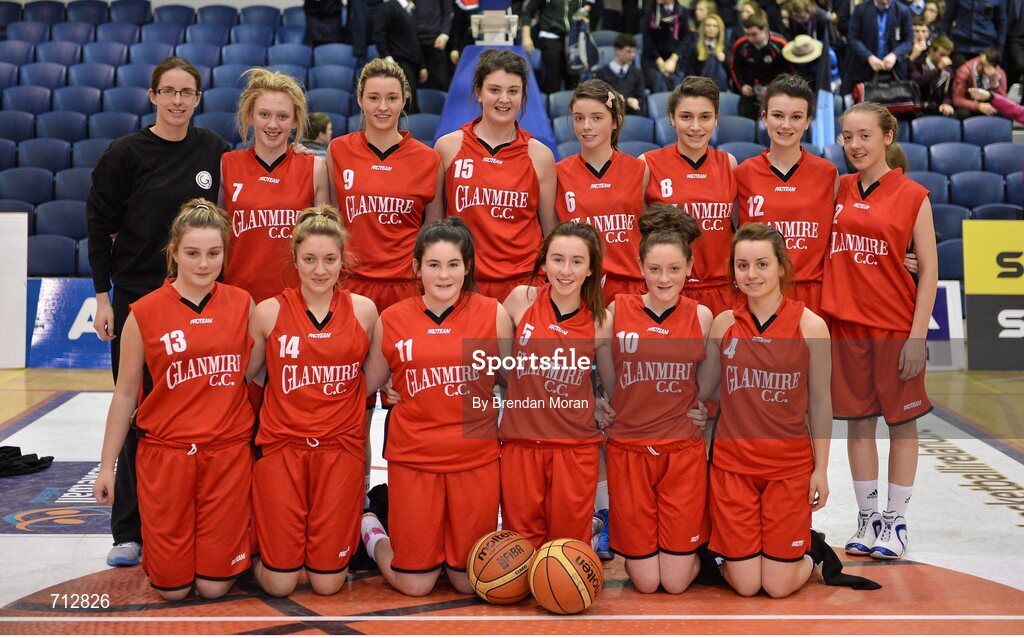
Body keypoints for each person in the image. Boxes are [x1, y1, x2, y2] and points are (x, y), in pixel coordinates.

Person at [86, 56, 232, 568]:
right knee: (136, 409)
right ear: (152, 96)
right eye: (167, 91)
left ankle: (197, 517)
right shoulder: (124, 154)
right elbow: (98, 225)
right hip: (136, 299)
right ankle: (128, 529)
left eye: (185, 92)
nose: (176, 100)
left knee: (197, 413)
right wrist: (103, 297)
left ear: (198, 98)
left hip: (199, 296)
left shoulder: (214, 151)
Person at [93, 199, 255, 600]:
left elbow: (269, 372)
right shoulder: (144, 313)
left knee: (214, 587)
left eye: (214, 253)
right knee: (173, 590)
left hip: (226, 454)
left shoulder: (243, 305)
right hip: (166, 457)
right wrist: (106, 468)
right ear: (174, 253)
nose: (204, 263)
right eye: (193, 253)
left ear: (225, 254)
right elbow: (126, 394)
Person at [359, 218, 513, 596]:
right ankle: (370, 528)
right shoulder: (392, 319)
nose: (444, 275)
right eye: (433, 265)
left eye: (453, 265)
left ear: (468, 267)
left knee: (469, 582)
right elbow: (366, 384)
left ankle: (444, 548)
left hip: (474, 459)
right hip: (414, 459)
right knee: (416, 584)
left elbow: (516, 382)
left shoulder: (492, 313)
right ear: (416, 268)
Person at [823, 101, 938, 561]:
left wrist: (917, 336)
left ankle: (897, 520)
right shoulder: (839, 188)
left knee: (902, 424)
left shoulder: (914, 195)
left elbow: (928, 271)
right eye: (848, 136)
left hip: (894, 326)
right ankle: (867, 517)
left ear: (887, 137)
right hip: (845, 325)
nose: (854, 145)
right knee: (858, 423)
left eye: (864, 135)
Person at [246, 206, 377, 598]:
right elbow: (252, 374)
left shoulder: (364, 311)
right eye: (309, 260)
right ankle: (244, 552)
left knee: (327, 584)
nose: (320, 270)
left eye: (330, 260)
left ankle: (367, 522)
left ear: (343, 260)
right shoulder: (268, 312)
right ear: (294, 259)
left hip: (339, 452)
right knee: (282, 584)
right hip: (283, 448)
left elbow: (373, 377)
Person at [698, 222, 832, 598]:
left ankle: (811, 551)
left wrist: (820, 469)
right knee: (745, 584)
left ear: (781, 267)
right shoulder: (724, 325)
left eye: (762, 264)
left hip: (788, 469)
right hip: (733, 467)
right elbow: (701, 389)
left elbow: (821, 401)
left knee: (775, 586)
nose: (752, 274)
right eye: (742, 266)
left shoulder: (811, 326)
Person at [599, 205, 712, 594]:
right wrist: (599, 399)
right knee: (647, 583)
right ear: (640, 266)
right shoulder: (617, 310)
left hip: (681, 451)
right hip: (628, 449)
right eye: (655, 269)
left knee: (676, 583)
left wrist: (706, 410)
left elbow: (709, 382)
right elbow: (599, 371)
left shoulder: (703, 317)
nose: (665, 279)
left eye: (675, 269)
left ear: (690, 266)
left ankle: (709, 554)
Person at [499, 221, 615, 548]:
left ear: (591, 269)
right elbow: (501, 370)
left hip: (574, 449)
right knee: (521, 557)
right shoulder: (519, 300)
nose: (566, 270)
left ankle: (590, 528)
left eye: (577, 261)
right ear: (545, 261)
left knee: (564, 555)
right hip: (522, 443)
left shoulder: (600, 321)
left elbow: (612, 386)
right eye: (557, 259)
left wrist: (600, 403)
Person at [435, 49, 558, 303]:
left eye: (513, 91)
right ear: (479, 92)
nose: (504, 99)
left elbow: (551, 233)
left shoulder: (540, 155)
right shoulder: (448, 147)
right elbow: (434, 227)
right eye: (494, 90)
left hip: (524, 285)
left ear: (523, 95)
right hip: (465, 283)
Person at [329, 59, 443, 316]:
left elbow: (433, 229)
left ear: (404, 100)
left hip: (407, 286)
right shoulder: (338, 150)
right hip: (351, 283)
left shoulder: (429, 159)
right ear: (360, 100)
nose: (383, 107)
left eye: (392, 98)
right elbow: (333, 218)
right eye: (373, 98)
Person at [220, 68, 330, 304]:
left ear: (294, 121)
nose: (273, 124)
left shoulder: (315, 168)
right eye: (264, 114)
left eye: (282, 116)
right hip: (239, 300)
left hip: (296, 302)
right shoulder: (227, 165)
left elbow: (326, 243)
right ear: (251, 116)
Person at [735, 74, 840, 315]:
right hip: (758, 296)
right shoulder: (743, 174)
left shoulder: (827, 173)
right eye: (778, 115)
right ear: (764, 118)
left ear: (808, 121)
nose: (786, 125)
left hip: (812, 298)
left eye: (796, 117)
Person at [640, 76, 739, 316]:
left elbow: (735, 229)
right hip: (669, 290)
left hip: (722, 291)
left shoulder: (730, 164)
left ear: (716, 119)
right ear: (672, 119)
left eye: (705, 117)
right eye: (686, 117)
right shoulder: (647, 164)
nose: (695, 127)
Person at [555, 79, 648, 300]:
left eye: (597, 118)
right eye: (579, 118)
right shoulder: (558, 173)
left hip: (630, 289)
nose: (586, 126)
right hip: (579, 288)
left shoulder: (640, 170)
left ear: (616, 122)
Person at [844, 0, 914, 96]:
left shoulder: (903, 10)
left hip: (894, 70)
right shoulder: (861, 9)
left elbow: (908, 41)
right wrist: (869, 57)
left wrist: (895, 55)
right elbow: (853, 38)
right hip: (865, 69)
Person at [730, 12, 792, 119]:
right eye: (747, 34)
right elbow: (735, 68)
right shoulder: (741, 45)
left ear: (765, 30)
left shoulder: (780, 44)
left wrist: (772, 87)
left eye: (754, 34)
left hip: (775, 90)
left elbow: (788, 71)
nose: (749, 38)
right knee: (746, 120)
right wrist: (742, 86)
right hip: (750, 91)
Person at [373, 0, 426, 112]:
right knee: (406, 104)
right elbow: (379, 33)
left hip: (412, 64)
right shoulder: (388, 7)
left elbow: (415, 40)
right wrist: (387, 57)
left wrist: (422, 65)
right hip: (398, 63)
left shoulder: (411, 9)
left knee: (411, 102)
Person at [519, 0, 580, 94]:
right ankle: (550, 106)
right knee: (552, 82)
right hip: (550, 36)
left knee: (573, 83)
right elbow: (528, 12)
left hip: (573, 39)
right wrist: (526, 37)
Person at [641, 0, 690, 93]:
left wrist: (673, 59)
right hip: (653, 58)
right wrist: (659, 61)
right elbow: (647, 39)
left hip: (675, 57)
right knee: (658, 81)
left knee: (678, 83)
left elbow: (685, 37)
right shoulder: (651, 10)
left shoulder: (682, 11)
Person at [943, 0, 1007, 68]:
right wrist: (944, 43)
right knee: (961, 73)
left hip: (986, 48)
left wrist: (999, 50)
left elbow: (1002, 24)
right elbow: (947, 19)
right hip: (960, 47)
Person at [595, 33, 647, 115]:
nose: (632, 55)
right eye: (628, 51)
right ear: (617, 50)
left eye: (634, 52)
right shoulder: (601, 73)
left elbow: (641, 96)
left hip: (631, 113)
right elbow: (598, 97)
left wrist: (636, 101)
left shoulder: (637, 72)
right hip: (611, 113)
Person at [951, 47, 1008, 116]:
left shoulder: (1000, 74)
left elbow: (1003, 101)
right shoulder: (964, 71)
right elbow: (957, 100)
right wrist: (980, 106)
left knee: (1004, 112)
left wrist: (994, 82)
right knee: (962, 113)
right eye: (980, 62)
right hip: (970, 105)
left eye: (983, 65)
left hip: (989, 105)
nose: (979, 67)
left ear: (993, 67)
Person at [910, 34, 956, 115]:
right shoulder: (919, 63)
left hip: (938, 108)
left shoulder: (948, 70)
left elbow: (948, 93)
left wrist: (946, 103)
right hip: (920, 106)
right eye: (942, 55)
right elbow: (918, 82)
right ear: (931, 50)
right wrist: (938, 68)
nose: (945, 59)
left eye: (947, 56)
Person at [685, 14, 729, 89]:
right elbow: (690, 71)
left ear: (720, 29)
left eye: (715, 26)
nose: (711, 28)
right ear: (704, 28)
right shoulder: (695, 47)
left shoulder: (726, 47)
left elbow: (729, 73)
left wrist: (723, 60)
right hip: (699, 86)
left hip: (720, 87)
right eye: (708, 25)